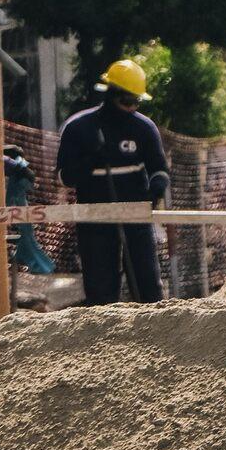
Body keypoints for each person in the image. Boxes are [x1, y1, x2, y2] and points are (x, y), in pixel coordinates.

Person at [58, 59, 169, 305]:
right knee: (101, 292)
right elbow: (65, 177)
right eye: (127, 101)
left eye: (136, 102)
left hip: (136, 218)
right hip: (95, 220)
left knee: (148, 287)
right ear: (111, 94)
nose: (132, 108)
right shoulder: (79, 128)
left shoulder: (144, 128)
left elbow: (159, 169)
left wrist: (157, 188)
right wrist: (90, 162)